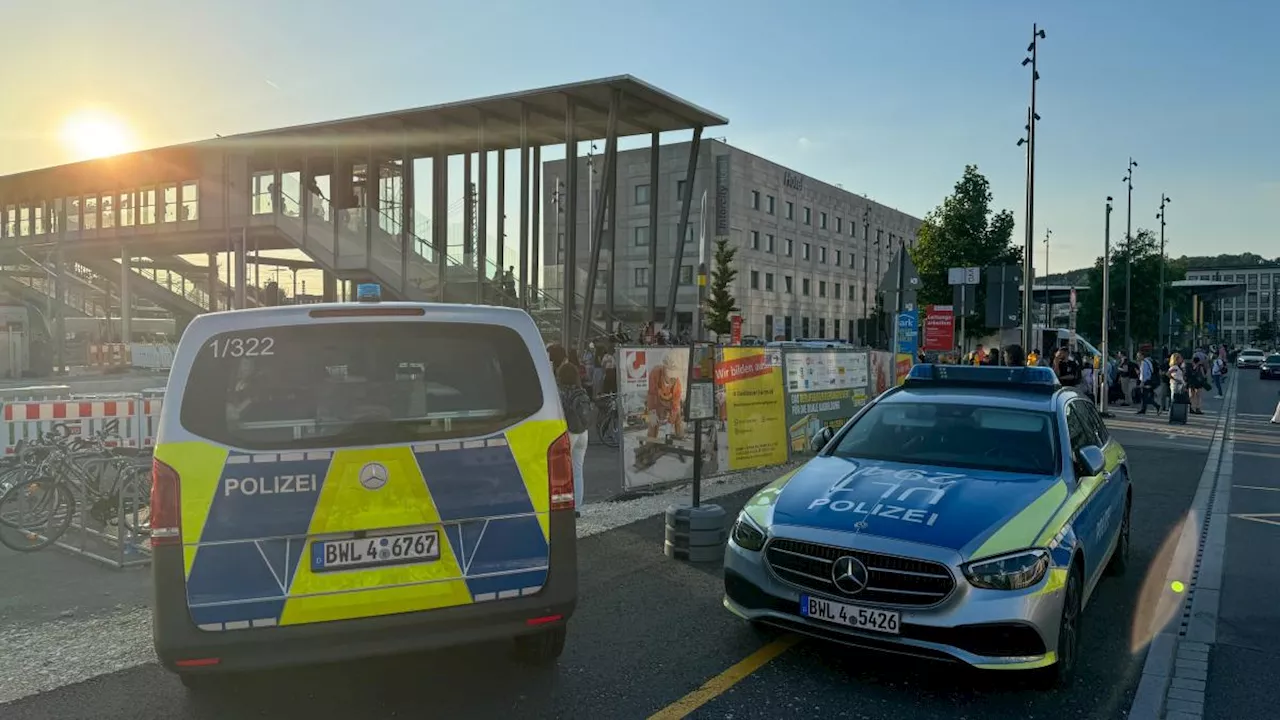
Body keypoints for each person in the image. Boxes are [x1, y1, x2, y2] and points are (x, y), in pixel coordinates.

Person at [557, 361, 591, 515]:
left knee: (562, 471)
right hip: (583, 432)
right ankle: (577, 507)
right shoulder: (581, 390)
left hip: (568, 432)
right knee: (578, 470)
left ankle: (565, 506)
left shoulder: (560, 391)